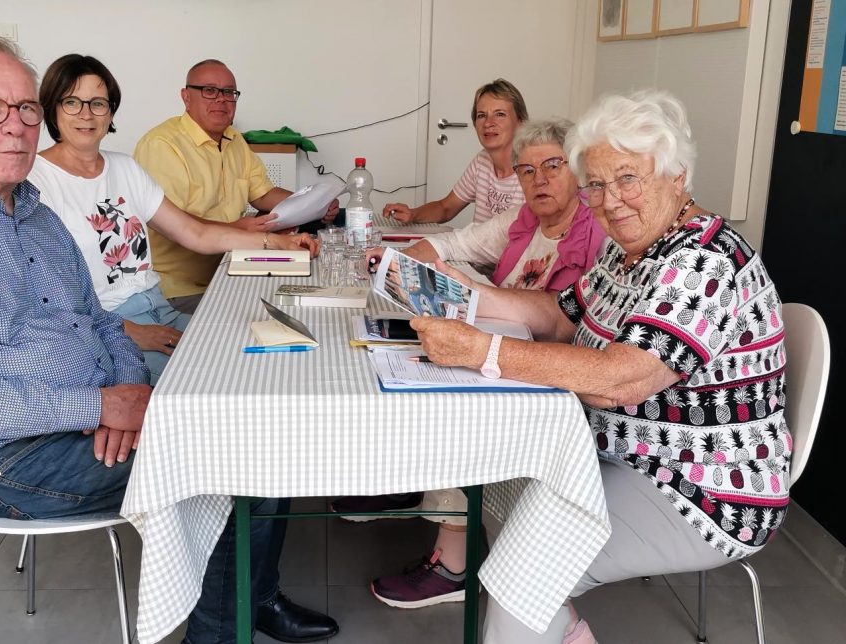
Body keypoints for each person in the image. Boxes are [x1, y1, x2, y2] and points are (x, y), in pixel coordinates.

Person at [0, 39, 333, 644]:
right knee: (241, 459)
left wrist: (127, 386)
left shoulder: (34, 213)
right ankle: (229, 623)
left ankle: (245, 604)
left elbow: (104, 324)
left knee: (255, 433)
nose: (18, 126)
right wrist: (100, 405)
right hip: (7, 459)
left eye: (26, 108)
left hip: (92, 407)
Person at [410, 89, 790, 643]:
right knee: (495, 490)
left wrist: (482, 351)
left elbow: (621, 379)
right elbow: (563, 317)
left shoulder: (703, 261)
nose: (611, 201)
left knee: (525, 575)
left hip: (700, 481)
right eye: (597, 185)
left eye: (629, 179)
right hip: (616, 453)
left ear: (677, 176)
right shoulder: (628, 244)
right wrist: (466, 292)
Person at [336, 118, 607, 609]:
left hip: (552, 374)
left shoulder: (598, 232)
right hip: (503, 348)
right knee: (403, 363)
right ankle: (405, 486)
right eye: (526, 171)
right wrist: (403, 266)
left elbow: (568, 325)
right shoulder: (524, 220)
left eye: (552, 166)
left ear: (580, 171)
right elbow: (454, 243)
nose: (538, 180)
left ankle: (453, 564)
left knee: (450, 400)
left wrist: (466, 300)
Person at [28, 54, 314, 385]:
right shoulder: (35, 181)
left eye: (98, 103)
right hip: (107, 328)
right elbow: (43, 298)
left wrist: (280, 242)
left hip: (158, 305)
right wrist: (131, 332)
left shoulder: (124, 168)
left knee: (252, 359)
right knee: (208, 385)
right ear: (52, 107)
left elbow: (195, 233)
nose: (87, 115)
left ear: (111, 111)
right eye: (72, 102)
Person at [134, 59, 338, 314]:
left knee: (307, 299)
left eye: (229, 92)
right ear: (186, 97)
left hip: (233, 266)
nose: (221, 100)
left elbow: (263, 194)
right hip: (179, 289)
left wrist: (314, 205)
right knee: (260, 317)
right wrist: (238, 230)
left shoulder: (235, 139)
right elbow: (174, 225)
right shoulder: (162, 145)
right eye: (209, 91)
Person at [382, 78, 528, 228]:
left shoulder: (533, 170)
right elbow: (446, 208)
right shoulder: (482, 161)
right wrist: (412, 214)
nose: (488, 123)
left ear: (521, 122)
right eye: (481, 115)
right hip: (478, 249)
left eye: (500, 114)